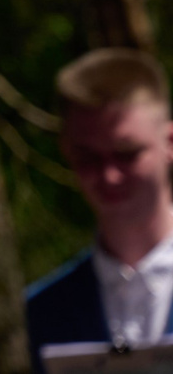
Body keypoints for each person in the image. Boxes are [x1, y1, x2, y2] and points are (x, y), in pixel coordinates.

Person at [27, 48, 173, 363]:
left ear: (169, 142)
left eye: (127, 153)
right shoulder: (43, 312)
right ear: (67, 151)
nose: (109, 175)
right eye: (88, 157)